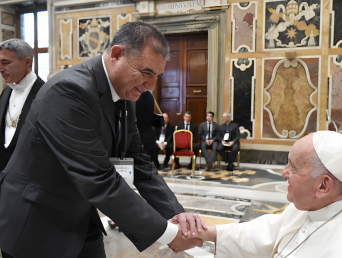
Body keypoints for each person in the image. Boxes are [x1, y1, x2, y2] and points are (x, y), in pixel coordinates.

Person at [0, 22, 206, 258]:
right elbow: (98, 177)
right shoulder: (68, 90)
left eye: (157, 76)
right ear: (117, 54)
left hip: (79, 213)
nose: (151, 86)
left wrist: (176, 215)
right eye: (146, 72)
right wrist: (168, 233)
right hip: (37, 223)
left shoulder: (125, 93)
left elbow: (140, 162)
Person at [189, 131, 342, 258]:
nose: (283, 173)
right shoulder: (320, 203)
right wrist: (208, 233)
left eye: (294, 167)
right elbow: (268, 232)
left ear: (323, 186)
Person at [0, 39, 45, 171]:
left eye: (6, 63)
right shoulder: (6, 91)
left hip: (30, 176)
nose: (1, 69)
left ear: (27, 62)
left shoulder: (46, 94)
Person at [135, 90, 162, 169]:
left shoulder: (132, 94)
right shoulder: (148, 94)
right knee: (150, 164)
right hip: (149, 134)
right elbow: (157, 121)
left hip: (136, 134)